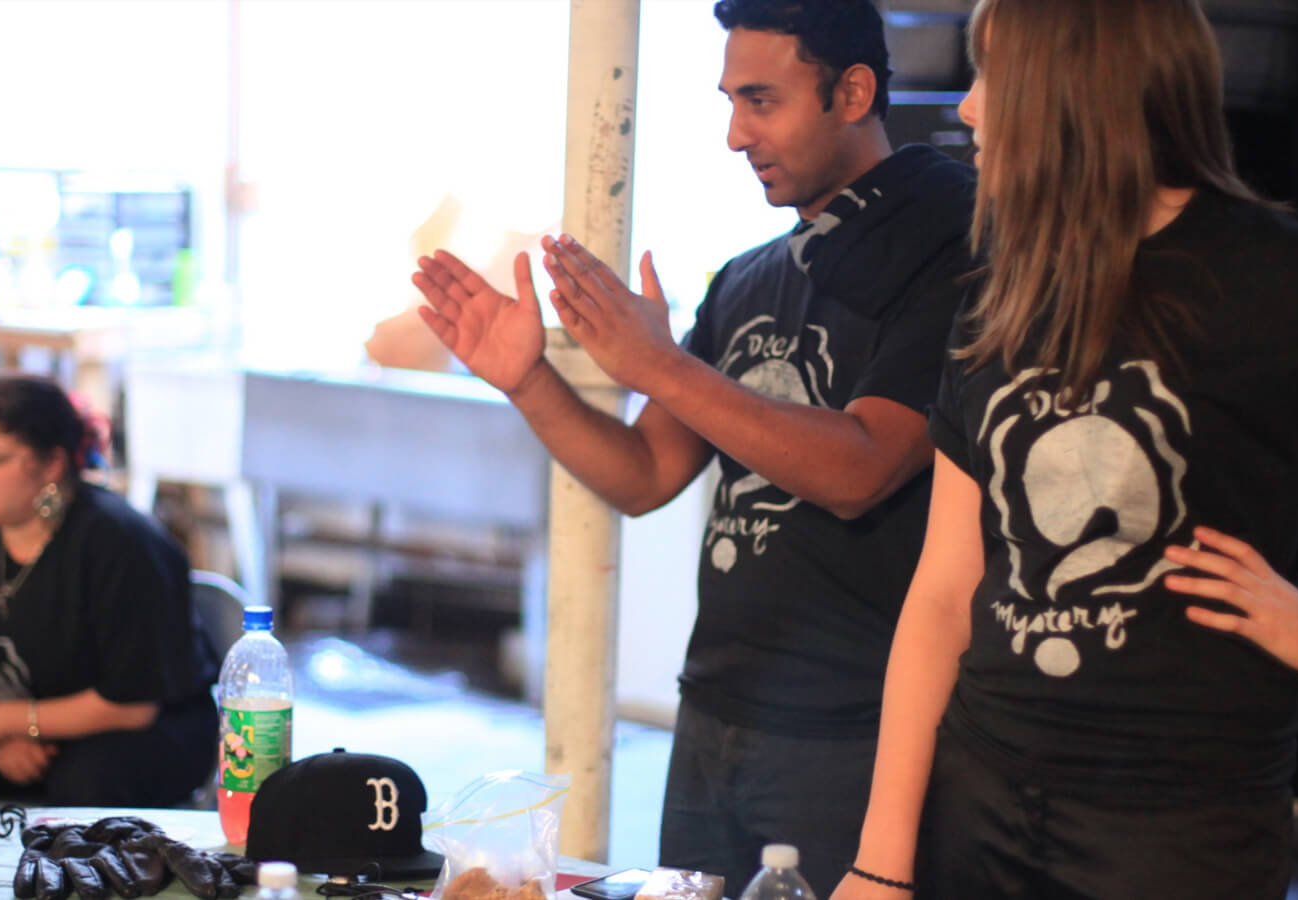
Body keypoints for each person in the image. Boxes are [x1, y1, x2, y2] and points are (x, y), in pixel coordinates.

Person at [412, 1, 975, 893]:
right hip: (715, 714)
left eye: (762, 100)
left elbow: (862, 468)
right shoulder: (748, 277)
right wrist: (528, 380)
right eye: (729, 100)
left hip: (852, 727)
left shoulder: (949, 238)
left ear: (854, 91)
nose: (734, 134)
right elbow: (644, 475)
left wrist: (659, 364)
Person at [833, 1, 1298, 897]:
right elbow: (943, 592)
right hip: (978, 801)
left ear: (1073, 92)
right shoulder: (1001, 296)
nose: (967, 110)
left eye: (990, 78)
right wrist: (879, 861)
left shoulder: (1274, 280)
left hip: (1178, 831)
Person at [0, 373, 220, 807]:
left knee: (83, 782)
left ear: (51, 465)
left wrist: (2, 722)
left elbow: (132, 703)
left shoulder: (120, 543)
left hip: (131, 728)